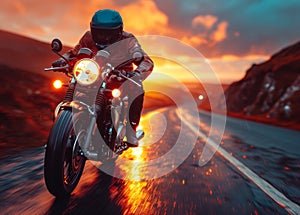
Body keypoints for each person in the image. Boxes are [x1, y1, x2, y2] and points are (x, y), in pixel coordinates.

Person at [52, 9, 154, 147]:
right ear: (93, 29)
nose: (104, 37)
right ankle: (65, 131)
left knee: (137, 88)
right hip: (93, 75)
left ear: (119, 31)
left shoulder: (128, 40)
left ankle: (131, 131)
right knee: (74, 84)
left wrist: (136, 73)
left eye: (109, 34)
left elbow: (146, 60)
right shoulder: (88, 37)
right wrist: (65, 60)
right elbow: (75, 51)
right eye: (99, 32)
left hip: (119, 78)